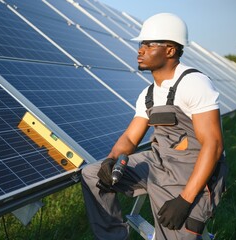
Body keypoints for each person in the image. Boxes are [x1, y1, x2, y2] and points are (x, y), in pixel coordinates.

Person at [80, 13, 228, 240]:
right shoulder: (148, 94)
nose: (140, 50)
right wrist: (112, 160)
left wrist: (185, 200)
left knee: (174, 229)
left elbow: (214, 145)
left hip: (192, 173)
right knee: (93, 175)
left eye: (149, 44)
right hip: (159, 162)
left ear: (170, 50)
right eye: (142, 44)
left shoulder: (194, 83)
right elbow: (130, 138)